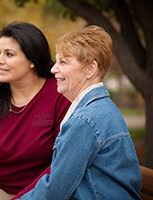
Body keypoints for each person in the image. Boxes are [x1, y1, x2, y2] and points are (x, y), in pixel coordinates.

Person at [17, 25, 141, 200]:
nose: (53, 69)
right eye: (57, 60)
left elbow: (55, 191)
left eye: (64, 62)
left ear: (90, 69)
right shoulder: (100, 109)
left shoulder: (86, 120)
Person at [0, 22, 70, 200]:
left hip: (46, 191)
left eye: (9, 54)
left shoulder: (59, 95)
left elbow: (62, 162)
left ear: (32, 59)